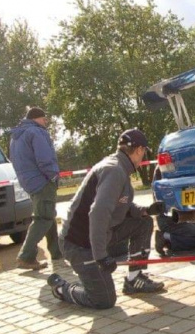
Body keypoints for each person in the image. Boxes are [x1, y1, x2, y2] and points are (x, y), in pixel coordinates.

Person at [47, 129, 164, 310]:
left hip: (99, 236)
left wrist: (145, 210)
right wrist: (101, 257)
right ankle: (62, 288)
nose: (143, 157)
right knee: (103, 300)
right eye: (144, 152)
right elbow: (98, 214)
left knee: (143, 222)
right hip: (80, 244)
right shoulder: (114, 170)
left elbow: (119, 205)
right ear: (139, 150)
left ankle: (134, 279)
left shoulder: (119, 167)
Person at [9, 107, 62, 270]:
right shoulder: (37, 132)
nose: (46, 122)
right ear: (36, 118)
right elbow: (44, 159)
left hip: (29, 181)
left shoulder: (16, 136)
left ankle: (57, 252)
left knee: (48, 214)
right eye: (44, 118)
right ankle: (26, 256)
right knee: (43, 218)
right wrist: (53, 176)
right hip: (42, 181)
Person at [152, 167, 195, 256]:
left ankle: (174, 237)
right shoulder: (165, 170)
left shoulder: (166, 167)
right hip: (172, 219)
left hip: (174, 216)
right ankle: (166, 237)